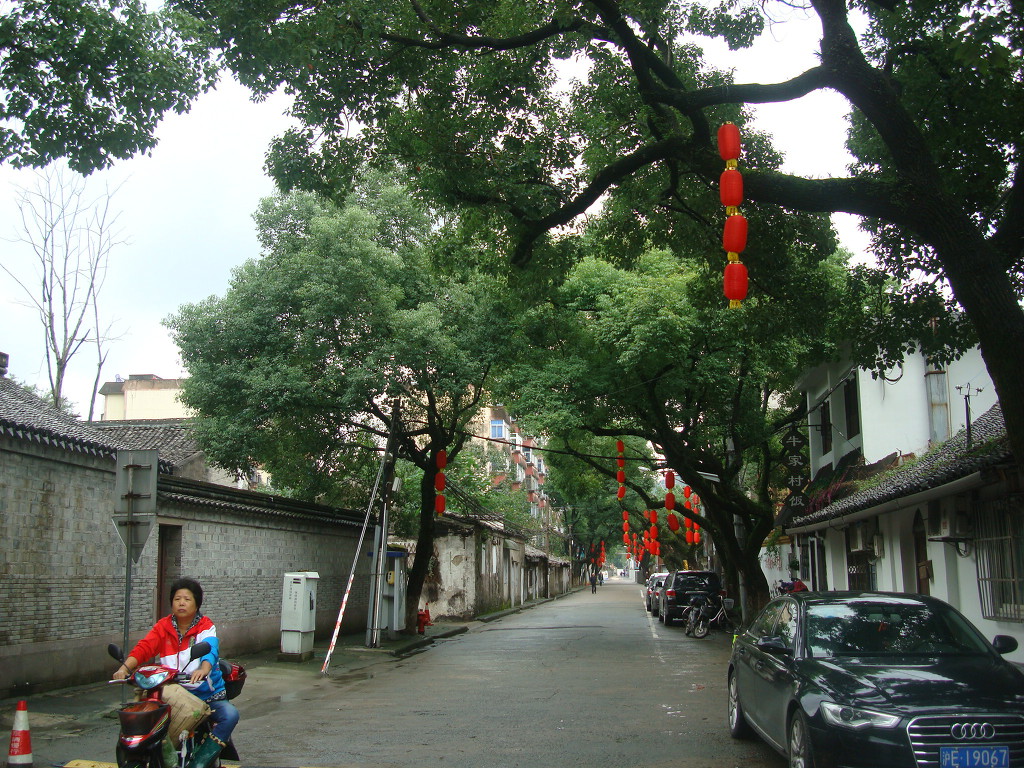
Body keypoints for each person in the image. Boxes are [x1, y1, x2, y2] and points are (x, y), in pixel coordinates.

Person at [112, 578, 239, 768]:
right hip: (173, 693)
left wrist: (204, 669)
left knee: (230, 715)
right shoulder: (163, 627)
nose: (181, 603)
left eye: (187, 599)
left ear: (196, 604)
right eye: (177, 599)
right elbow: (144, 648)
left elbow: (211, 648)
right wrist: (125, 668)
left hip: (206, 695)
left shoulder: (205, 626)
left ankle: (199, 762)